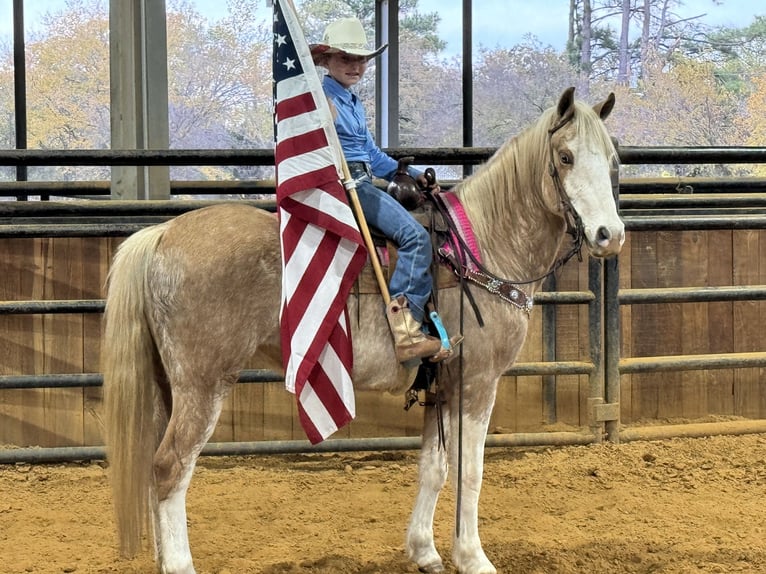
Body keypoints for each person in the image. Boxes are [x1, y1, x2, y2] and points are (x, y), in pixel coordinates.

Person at [311, 17, 458, 364]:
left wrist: (415, 175)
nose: (356, 66)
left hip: (361, 176)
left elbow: (372, 156)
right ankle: (405, 331)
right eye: (347, 58)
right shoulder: (322, 100)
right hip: (345, 184)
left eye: (361, 59)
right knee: (415, 237)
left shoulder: (351, 100)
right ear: (327, 61)